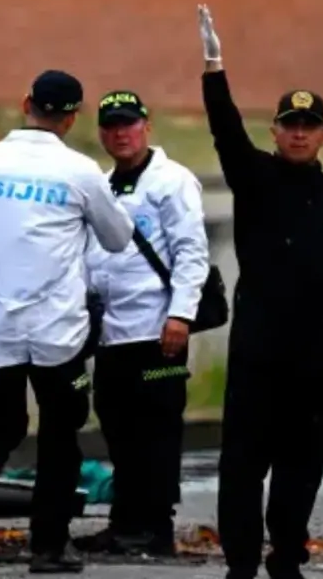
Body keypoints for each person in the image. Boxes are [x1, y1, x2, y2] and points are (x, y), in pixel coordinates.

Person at [196, 4, 323, 579]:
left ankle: (286, 551)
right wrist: (214, 69)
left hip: (314, 346)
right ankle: (242, 561)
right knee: (245, 459)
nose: (298, 134)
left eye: (309, 126)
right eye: (289, 125)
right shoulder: (254, 176)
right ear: (275, 130)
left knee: (303, 461)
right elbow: (225, 130)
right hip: (259, 341)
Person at [0, 69, 135, 574]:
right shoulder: (80, 172)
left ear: (25, 103)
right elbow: (117, 239)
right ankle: (48, 546)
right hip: (58, 332)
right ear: (71, 117)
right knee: (60, 433)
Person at [77, 89, 210, 558]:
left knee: (156, 430)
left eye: (129, 123)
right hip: (112, 333)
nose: (120, 132)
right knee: (117, 427)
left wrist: (180, 315)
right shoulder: (101, 183)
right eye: (111, 125)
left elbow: (192, 252)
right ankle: (125, 522)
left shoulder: (172, 181)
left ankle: (155, 527)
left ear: (146, 126)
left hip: (158, 334)